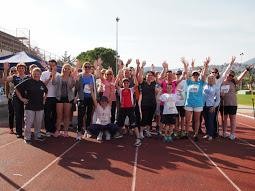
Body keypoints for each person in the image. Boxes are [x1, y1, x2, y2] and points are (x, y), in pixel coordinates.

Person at [15, 67, 48, 144]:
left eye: (38, 74)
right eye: (35, 74)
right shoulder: (28, 81)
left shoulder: (41, 83)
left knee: (38, 123)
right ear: (32, 74)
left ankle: (37, 136)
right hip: (29, 106)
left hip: (40, 106)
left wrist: (44, 99)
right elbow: (16, 88)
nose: (36, 75)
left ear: (40, 74)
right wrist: (22, 98)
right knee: (28, 123)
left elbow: (46, 91)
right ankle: (27, 137)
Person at [221, 65, 253, 140]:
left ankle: (232, 134)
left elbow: (240, 77)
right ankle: (225, 132)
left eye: (232, 75)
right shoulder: (222, 82)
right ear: (227, 74)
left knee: (232, 119)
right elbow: (219, 92)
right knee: (224, 119)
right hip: (224, 104)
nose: (231, 76)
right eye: (230, 75)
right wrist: (221, 94)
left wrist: (246, 70)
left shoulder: (234, 82)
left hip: (232, 104)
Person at [183, 57, 209, 142]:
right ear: (192, 76)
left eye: (197, 74)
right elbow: (187, 73)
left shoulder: (201, 82)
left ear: (198, 76)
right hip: (189, 103)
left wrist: (206, 65)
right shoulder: (189, 82)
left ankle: (195, 134)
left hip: (198, 104)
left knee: (197, 120)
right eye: (194, 74)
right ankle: (186, 133)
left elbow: (204, 75)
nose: (195, 76)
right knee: (187, 120)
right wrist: (185, 65)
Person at [3, 62, 29, 138]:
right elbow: (5, 79)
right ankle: (19, 132)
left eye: (22, 68)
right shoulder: (14, 77)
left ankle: (26, 130)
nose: (21, 69)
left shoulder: (28, 77)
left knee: (26, 116)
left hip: (25, 98)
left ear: (25, 69)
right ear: (17, 69)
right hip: (16, 98)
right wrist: (5, 70)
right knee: (18, 115)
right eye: (19, 68)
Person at [115, 78, 142, 146]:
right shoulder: (121, 90)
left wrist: (135, 75)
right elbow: (115, 84)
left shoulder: (131, 90)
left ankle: (138, 137)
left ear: (129, 84)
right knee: (120, 122)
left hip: (130, 109)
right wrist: (119, 75)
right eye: (124, 83)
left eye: (127, 83)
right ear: (123, 84)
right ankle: (119, 134)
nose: (126, 84)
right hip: (123, 109)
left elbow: (136, 84)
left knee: (134, 123)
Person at [75, 62, 97, 140]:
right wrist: (77, 81)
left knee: (89, 115)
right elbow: (77, 88)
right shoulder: (80, 76)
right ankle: (79, 132)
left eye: (88, 67)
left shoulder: (92, 77)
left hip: (90, 98)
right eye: (85, 67)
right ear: (83, 67)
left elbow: (94, 89)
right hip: (82, 98)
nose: (87, 69)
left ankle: (87, 130)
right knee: (81, 115)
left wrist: (95, 99)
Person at [53, 63, 75, 137]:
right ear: (63, 69)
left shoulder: (71, 77)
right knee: (59, 115)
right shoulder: (58, 76)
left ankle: (66, 131)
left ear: (70, 70)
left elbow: (71, 86)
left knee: (66, 115)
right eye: (65, 68)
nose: (66, 70)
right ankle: (57, 130)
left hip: (68, 98)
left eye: (68, 68)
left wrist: (73, 79)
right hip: (59, 98)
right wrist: (53, 75)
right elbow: (53, 83)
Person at [40, 59, 60, 137]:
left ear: (56, 66)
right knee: (47, 114)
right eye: (50, 65)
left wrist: (54, 75)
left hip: (56, 98)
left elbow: (58, 85)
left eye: (53, 65)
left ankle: (53, 129)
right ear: (48, 65)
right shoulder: (44, 73)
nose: (51, 66)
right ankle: (48, 130)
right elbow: (42, 85)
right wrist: (50, 77)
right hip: (47, 97)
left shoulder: (59, 74)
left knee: (55, 115)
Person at [203, 74, 220, 140]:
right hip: (204, 106)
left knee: (210, 121)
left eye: (212, 78)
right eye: (210, 78)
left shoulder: (216, 87)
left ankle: (211, 135)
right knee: (206, 121)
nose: (211, 79)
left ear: (214, 79)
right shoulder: (204, 85)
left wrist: (214, 107)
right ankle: (207, 133)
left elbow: (218, 100)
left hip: (211, 106)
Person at [4, 66, 17, 134]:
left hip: (18, 99)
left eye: (15, 71)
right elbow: (6, 88)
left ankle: (19, 128)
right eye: (12, 71)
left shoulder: (19, 78)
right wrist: (7, 96)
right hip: (11, 98)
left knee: (19, 114)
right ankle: (11, 128)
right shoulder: (8, 79)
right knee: (11, 113)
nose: (13, 72)